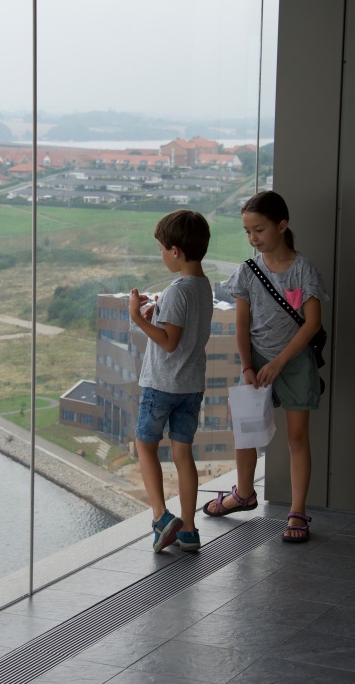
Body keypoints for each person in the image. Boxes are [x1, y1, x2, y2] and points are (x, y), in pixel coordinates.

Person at [203, 190, 330, 543]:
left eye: (259, 230)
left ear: (282, 225)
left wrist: (280, 362)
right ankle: (244, 494)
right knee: (245, 432)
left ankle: (297, 511)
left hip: (294, 361)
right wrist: (247, 365)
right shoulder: (248, 271)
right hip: (256, 360)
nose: (253, 238)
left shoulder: (303, 269)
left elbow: (312, 323)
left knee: (296, 437)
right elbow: (241, 324)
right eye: (248, 231)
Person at [129, 209, 214, 553]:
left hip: (162, 383)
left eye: (161, 249)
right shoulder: (203, 287)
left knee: (145, 446)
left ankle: (161, 517)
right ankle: (189, 530)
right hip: (191, 386)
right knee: (183, 453)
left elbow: (168, 342)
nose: (161, 255)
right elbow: (179, 330)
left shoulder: (177, 290)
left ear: (175, 251)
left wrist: (137, 318)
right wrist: (158, 315)